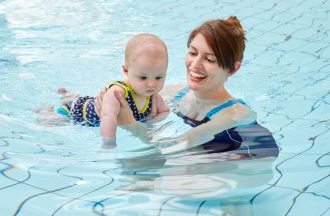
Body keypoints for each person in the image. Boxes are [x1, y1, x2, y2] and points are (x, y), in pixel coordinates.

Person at [95, 16, 279, 158]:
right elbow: (135, 97)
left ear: (232, 69)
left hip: (241, 158)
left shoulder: (233, 114)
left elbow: (175, 145)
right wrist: (104, 102)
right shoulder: (176, 93)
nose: (195, 65)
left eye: (209, 59)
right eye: (192, 52)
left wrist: (129, 124)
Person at [54, 33, 170, 148]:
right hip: (77, 112)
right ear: (126, 70)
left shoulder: (153, 95)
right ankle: (51, 107)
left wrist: (150, 122)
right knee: (53, 121)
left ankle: (67, 95)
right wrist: (109, 142)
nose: (151, 84)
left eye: (158, 77)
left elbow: (164, 111)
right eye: (143, 77)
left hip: (91, 105)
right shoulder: (118, 93)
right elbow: (108, 116)